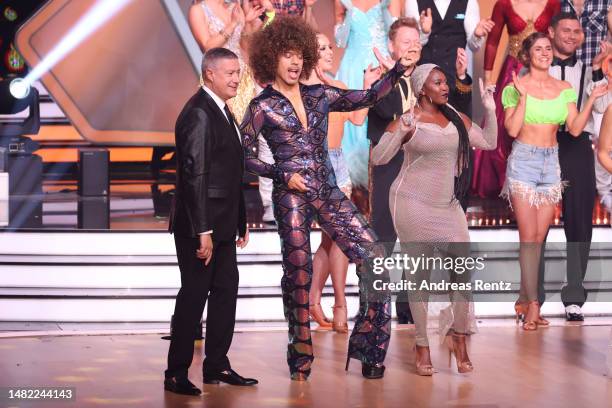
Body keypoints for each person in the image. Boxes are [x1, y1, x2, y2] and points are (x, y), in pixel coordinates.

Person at [240, 16, 416, 380]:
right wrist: (281, 173)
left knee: (376, 257)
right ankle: (301, 358)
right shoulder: (261, 106)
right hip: (290, 195)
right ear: (271, 58)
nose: (293, 63)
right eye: (285, 55)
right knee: (299, 273)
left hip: (327, 188)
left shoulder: (319, 94)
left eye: (297, 56)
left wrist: (398, 69)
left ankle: (370, 348)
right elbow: (243, 155)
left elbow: (366, 97)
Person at [371, 65, 497, 376]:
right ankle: (422, 344)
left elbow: (489, 142)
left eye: (445, 82)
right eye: (437, 82)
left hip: (448, 205)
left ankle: (459, 339)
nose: (445, 87)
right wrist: (401, 129)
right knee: (420, 278)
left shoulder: (455, 117)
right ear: (422, 89)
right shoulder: (409, 119)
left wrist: (491, 111)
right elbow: (379, 158)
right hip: (411, 202)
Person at [367, 17, 474, 325]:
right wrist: (392, 75)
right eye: (406, 42)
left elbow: (456, 110)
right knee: (383, 240)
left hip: (424, 172)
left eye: (416, 42)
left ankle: (408, 310)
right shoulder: (379, 77)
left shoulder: (430, 77)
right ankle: (374, 312)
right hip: (390, 167)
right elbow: (385, 112)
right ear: (391, 46)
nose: (413, 47)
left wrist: (462, 77)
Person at [165, 48, 257, 395]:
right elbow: (195, 176)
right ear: (210, 75)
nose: (236, 79)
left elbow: (228, 173)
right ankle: (175, 373)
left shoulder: (221, 110)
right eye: (230, 73)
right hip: (199, 226)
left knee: (224, 291)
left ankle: (216, 364)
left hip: (221, 223)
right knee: (193, 295)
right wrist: (202, 230)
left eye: (238, 72)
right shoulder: (199, 113)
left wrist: (239, 219)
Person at [500, 32, 607, 330]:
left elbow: (574, 129)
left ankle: (526, 300)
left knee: (538, 239)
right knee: (529, 238)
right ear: (528, 54)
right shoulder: (515, 87)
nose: (545, 53)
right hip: (524, 161)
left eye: (548, 48)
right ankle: (532, 306)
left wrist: (591, 99)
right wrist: (522, 97)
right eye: (539, 48)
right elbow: (511, 130)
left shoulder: (564, 88)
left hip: (551, 163)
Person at [302, 33, 380, 332]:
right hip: (313, 167)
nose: (329, 52)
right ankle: (337, 304)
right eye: (321, 48)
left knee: (332, 237)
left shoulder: (338, 87)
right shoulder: (300, 92)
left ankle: (319, 301)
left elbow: (358, 120)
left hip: (338, 165)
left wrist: (367, 86)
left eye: (329, 47)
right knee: (335, 235)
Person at [536, 13, 609, 321]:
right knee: (536, 223)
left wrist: (597, 73)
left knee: (579, 220)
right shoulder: (535, 68)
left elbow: (598, 111)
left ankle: (575, 295)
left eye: (577, 31)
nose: (571, 35)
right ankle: (532, 298)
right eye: (565, 30)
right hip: (542, 144)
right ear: (551, 32)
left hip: (576, 145)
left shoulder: (590, 70)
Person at [471, 0, 560, 199]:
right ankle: (507, 187)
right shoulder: (503, 4)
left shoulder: (553, 3)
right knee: (505, 128)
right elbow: (493, 42)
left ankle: (538, 181)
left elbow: (558, 37)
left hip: (542, 71)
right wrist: (488, 79)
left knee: (537, 122)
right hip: (514, 71)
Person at [334, 0, 401, 192]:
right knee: (352, 120)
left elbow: (395, 32)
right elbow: (339, 41)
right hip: (352, 68)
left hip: (378, 62)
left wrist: (385, 9)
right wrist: (347, 15)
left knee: (378, 118)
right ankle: (352, 187)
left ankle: (378, 180)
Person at [404, 0, 495, 113]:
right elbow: (410, 46)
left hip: (455, 76)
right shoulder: (413, 2)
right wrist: (424, 32)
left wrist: (476, 35)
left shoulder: (469, 2)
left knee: (458, 122)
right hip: (425, 78)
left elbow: (474, 47)